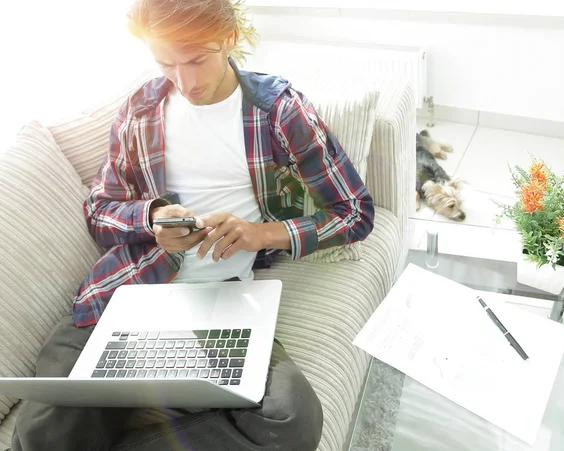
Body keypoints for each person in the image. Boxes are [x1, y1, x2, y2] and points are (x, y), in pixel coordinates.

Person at [10, 0, 374, 450]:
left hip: (221, 304)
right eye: (166, 63)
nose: (185, 81)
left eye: (197, 59)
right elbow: (99, 210)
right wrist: (151, 218)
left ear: (229, 39)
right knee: (43, 433)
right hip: (126, 293)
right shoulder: (139, 113)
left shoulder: (280, 112)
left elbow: (355, 212)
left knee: (290, 421)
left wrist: (262, 233)